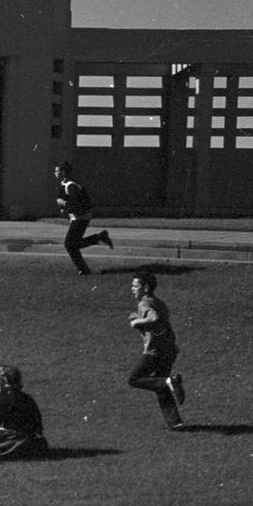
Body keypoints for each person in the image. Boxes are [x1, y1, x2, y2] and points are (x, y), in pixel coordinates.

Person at [126, 270, 186, 430]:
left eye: (135, 286)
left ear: (145, 288)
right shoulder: (159, 302)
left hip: (155, 351)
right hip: (169, 350)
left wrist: (136, 322)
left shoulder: (144, 303)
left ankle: (169, 381)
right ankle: (175, 422)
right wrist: (138, 320)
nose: (132, 289)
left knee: (133, 379)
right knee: (160, 384)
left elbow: (154, 318)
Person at [54, 161, 113, 275]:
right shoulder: (66, 184)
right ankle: (99, 237)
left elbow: (77, 204)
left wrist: (64, 204)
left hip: (81, 217)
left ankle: (83, 269)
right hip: (79, 217)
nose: (54, 173)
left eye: (56, 171)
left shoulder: (71, 186)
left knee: (70, 245)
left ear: (63, 172)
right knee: (73, 244)